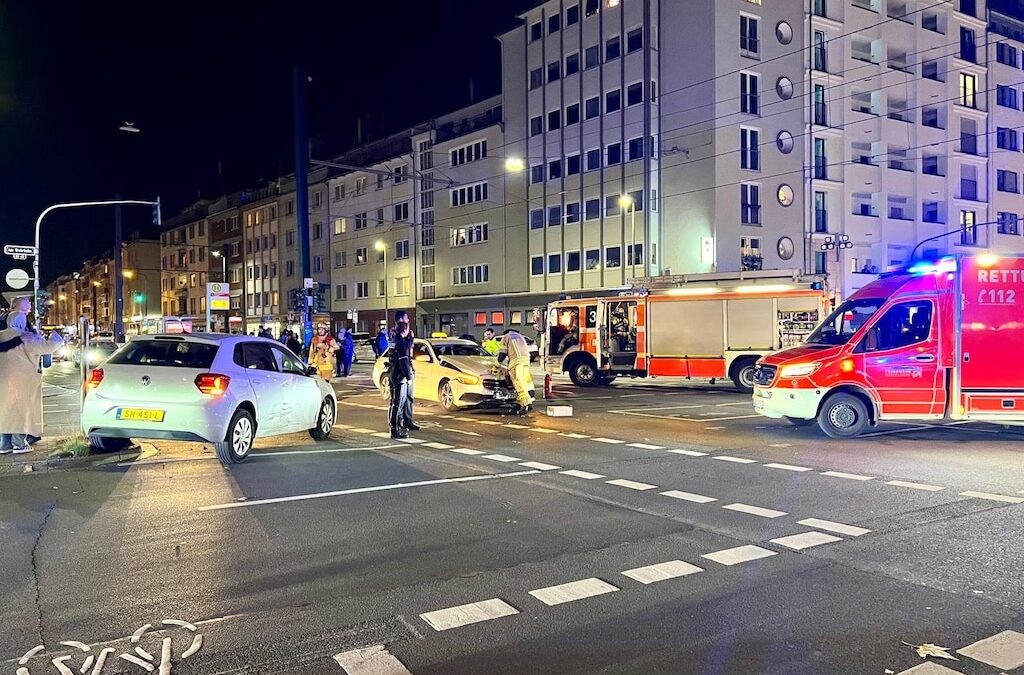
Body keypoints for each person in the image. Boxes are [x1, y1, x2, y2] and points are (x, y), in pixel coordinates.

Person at [1, 307, 63, 454]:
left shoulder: (1, 335)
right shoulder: (26, 337)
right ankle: (19, 444)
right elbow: (48, 347)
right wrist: (56, 337)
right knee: (21, 411)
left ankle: (4, 444)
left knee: (3, 410)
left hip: (2, 380)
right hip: (23, 380)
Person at [387, 321, 415, 439]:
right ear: (405, 330)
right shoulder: (401, 344)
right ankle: (395, 429)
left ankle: (395, 427)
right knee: (398, 403)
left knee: (395, 402)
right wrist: (409, 377)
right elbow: (404, 362)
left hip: (393, 373)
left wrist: (410, 341)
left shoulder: (394, 342)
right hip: (400, 376)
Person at [498, 329, 535, 416]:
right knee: (525, 383)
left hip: (516, 363)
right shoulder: (521, 337)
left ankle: (527, 404)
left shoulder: (506, 337)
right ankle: (519, 404)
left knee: (518, 383)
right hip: (525, 362)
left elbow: (502, 354)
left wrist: (496, 365)